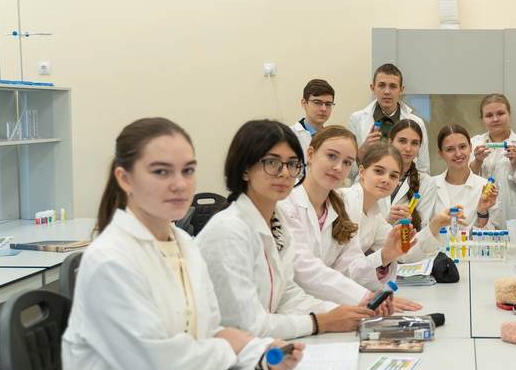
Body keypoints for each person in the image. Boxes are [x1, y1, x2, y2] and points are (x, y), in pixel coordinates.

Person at [48, 118, 302, 370]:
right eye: (161, 172)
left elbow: (210, 332)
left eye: (188, 170)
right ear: (125, 179)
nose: (179, 184)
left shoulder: (183, 243)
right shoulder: (111, 260)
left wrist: (264, 354)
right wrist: (229, 346)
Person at [197, 120, 375, 340]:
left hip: (257, 346)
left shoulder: (275, 222)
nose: (284, 173)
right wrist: (320, 321)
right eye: (272, 162)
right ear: (244, 169)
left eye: (291, 164)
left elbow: (286, 295)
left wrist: (341, 313)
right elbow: (246, 326)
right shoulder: (228, 231)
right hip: (224, 351)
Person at [277, 125, 421, 312]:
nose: (338, 167)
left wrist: (384, 256)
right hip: (286, 310)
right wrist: (365, 297)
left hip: (322, 307)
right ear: (310, 154)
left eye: (347, 162)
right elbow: (302, 267)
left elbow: (350, 268)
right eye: (331, 156)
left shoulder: (338, 208)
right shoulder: (285, 202)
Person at [341, 142, 460, 261]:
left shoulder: (375, 217)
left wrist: (435, 225)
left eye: (393, 176)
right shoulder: (341, 202)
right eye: (378, 171)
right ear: (362, 171)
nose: (386, 180)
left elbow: (405, 251)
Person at [348, 63, 430, 176]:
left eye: (393, 86)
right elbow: (349, 173)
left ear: (401, 90)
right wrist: (362, 151)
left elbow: (423, 169)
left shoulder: (417, 123)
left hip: (404, 185)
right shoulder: (356, 119)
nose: (387, 91)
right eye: (381, 85)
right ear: (373, 88)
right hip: (367, 184)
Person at [470, 93, 516, 229]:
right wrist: (477, 162)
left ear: (509, 114)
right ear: (482, 118)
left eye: (500, 113)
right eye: (489, 115)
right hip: (483, 214)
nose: (495, 119)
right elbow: (466, 182)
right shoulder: (474, 143)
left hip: (514, 215)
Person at [432, 124, 500, 232]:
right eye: (450, 149)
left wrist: (482, 212)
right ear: (441, 153)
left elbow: (492, 235)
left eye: (462, 147)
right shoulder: (430, 186)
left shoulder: (485, 188)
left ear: (470, 147)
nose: (458, 154)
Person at [381, 120, 439, 229]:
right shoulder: (372, 176)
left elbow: (422, 227)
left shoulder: (427, 183)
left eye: (414, 143)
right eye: (402, 141)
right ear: (390, 142)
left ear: (419, 147)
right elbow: (362, 224)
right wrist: (388, 221)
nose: (408, 148)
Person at [290, 78, 335, 152]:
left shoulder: (333, 139)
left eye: (328, 104)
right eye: (317, 103)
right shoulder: (289, 136)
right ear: (304, 103)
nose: (324, 109)